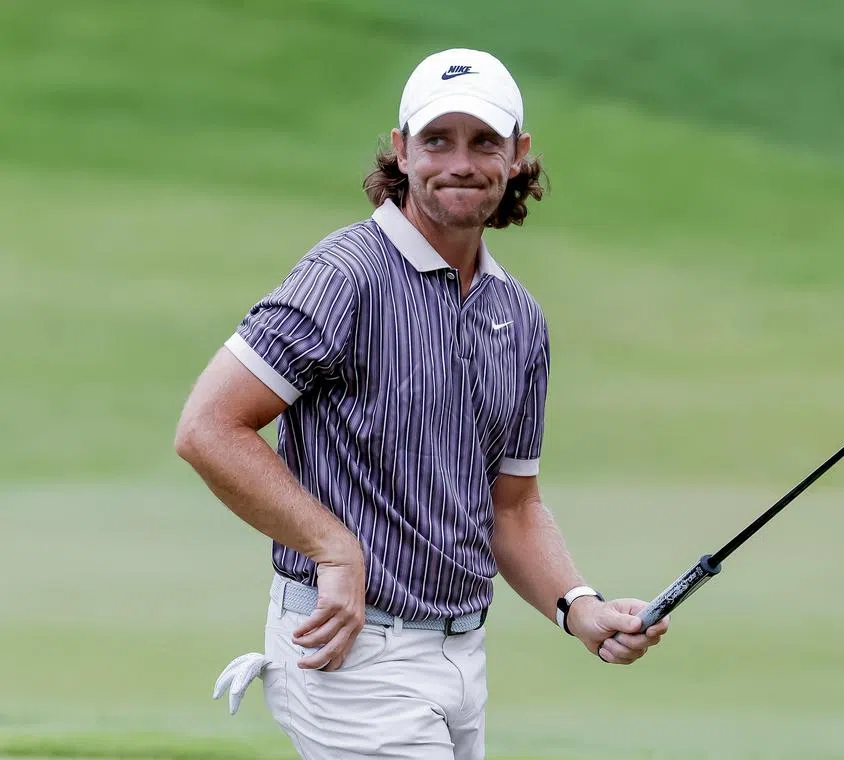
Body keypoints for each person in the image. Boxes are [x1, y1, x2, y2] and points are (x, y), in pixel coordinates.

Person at [174, 47, 670, 759]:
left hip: (462, 662)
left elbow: (512, 506)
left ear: (518, 155)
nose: (460, 163)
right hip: (350, 655)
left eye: (483, 141)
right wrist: (332, 547)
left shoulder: (518, 316)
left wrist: (578, 607)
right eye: (437, 140)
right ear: (402, 152)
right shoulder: (343, 276)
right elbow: (208, 427)